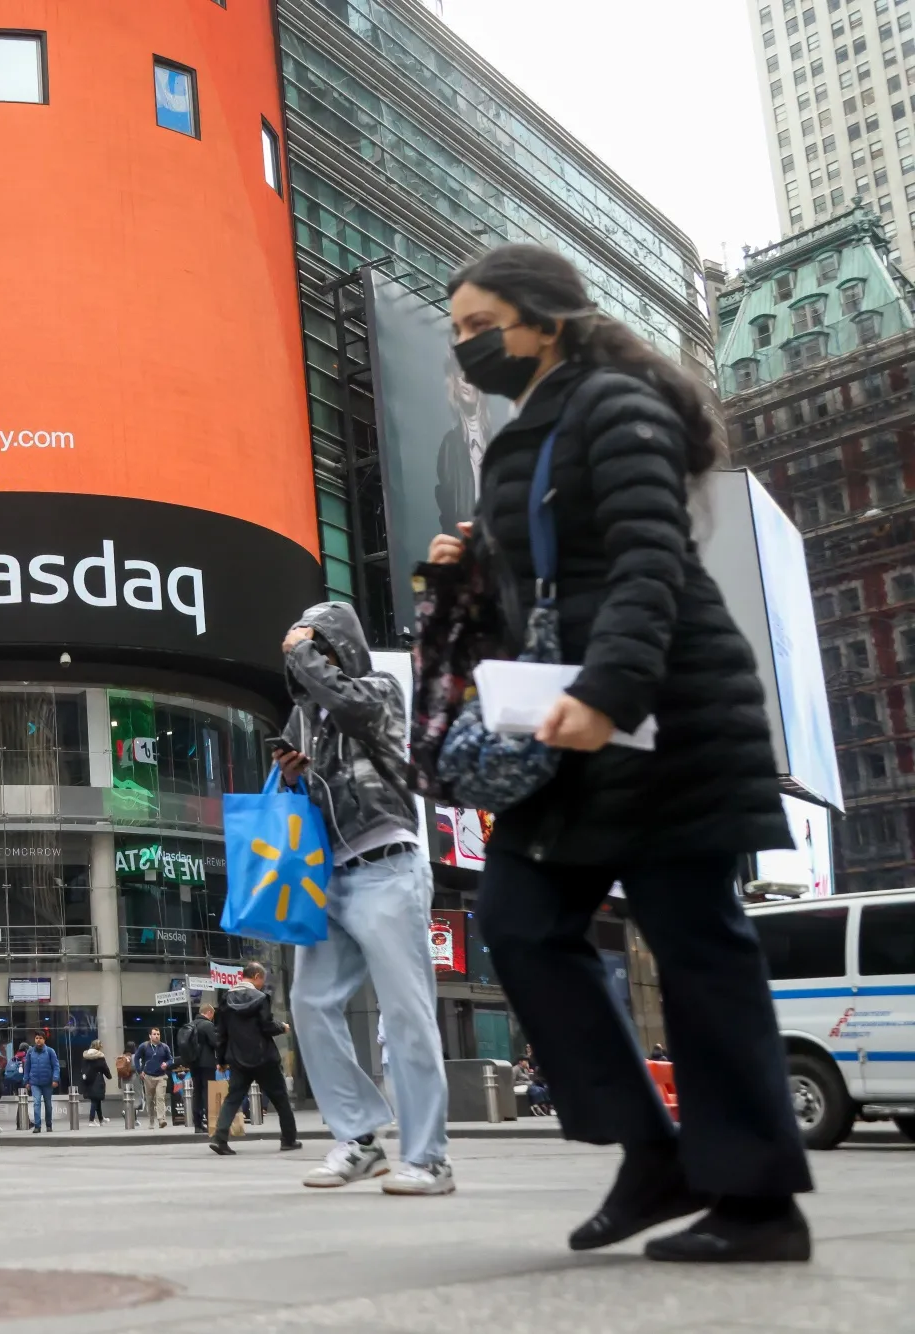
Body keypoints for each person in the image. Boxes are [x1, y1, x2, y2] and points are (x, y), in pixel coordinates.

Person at [430, 244, 811, 1262]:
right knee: (516, 919)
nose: (464, 346)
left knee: (695, 946)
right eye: (453, 331)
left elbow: (650, 557)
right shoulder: (528, 431)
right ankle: (652, 1149)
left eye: (476, 324)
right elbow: (555, 583)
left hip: (664, 715)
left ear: (541, 317)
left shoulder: (614, 402)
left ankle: (758, 1201)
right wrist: (470, 569)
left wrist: (608, 691)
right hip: (574, 725)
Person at [276, 600, 453, 1196]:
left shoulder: (377, 689)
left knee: (406, 1013)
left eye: (321, 650)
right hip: (328, 878)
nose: (311, 662)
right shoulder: (304, 719)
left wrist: (300, 650)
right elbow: (300, 800)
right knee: (309, 1002)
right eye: (308, 653)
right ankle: (359, 1138)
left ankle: (429, 1158)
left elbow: (350, 708)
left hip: (387, 867)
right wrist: (293, 775)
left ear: (342, 651)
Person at [210, 964, 300, 1154]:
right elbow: (266, 1026)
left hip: (237, 1058)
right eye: (263, 980)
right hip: (263, 1058)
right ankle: (288, 1139)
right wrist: (282, 1027)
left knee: (233, 1098)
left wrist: (221, 1059)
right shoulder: (260, 998)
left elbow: (221, 1033)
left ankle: (220, 1138)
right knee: (280, 1098)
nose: (263, 984)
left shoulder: (226, 999)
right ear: (257, 976)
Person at [179, 1004, 220, 1135]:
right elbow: (215, 1042)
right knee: (208, 1092)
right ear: (209, 1012)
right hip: (207, 1063)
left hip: (193, 1063)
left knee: (197, 1092)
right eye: (212, 1015)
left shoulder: (191, 1024)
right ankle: (210, 1123)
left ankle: (197, 1124)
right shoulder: (207, 1025)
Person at [133, 1029, 173, 1130]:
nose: (156, 1036)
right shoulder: (144, 1046)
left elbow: (171, 1059)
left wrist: (166, 1064)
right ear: (150, 1036)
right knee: (150, 1100)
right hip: (148, 1077)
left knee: (160, 1098)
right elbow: (136, 1058)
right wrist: (139, 1070)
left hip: (161, 1076)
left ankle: (161, 1119)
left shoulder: (164, 1047)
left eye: (158, 1034)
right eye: (154, 1034)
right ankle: (151, 1120)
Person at [22, 1032, 60, 1133]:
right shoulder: (30, 1052)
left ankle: (49, 1125)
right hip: (34, 1082)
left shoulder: (50, 1051)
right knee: (36, 1103)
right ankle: (37, 1126)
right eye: (36, 1038)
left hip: (47, 1082)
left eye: (40, 1038)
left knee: (48, 1104)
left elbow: (56, 1066)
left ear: (44, 1040)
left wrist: (55, 1079)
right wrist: (26, 1081)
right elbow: (27, 1067)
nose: (38, 1040)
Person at [78, 1040, 111, 1127]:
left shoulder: (85, 1056)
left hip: (88, 1080)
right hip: (97, 1080)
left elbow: (83, 1068)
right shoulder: (100, 1057)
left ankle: (101, 1119)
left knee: (96, 1099)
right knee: (95, 1100)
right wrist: (109, 1076)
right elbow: (105, 1068)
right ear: (98, 1047)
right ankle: (91, 1120)